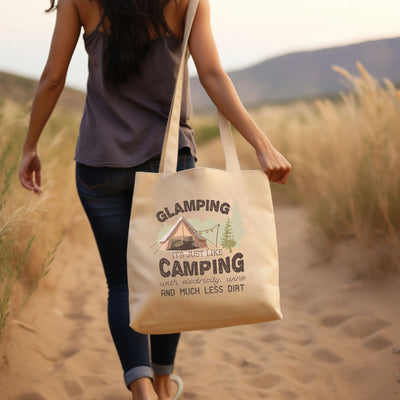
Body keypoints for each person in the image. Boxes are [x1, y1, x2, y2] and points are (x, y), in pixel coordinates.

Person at [19, 0, 291, 398]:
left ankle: (141, 388)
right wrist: (262, 145)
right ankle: (163, 385)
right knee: (172, 275)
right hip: (168, 164)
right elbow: (212, 74)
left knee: (121, 283)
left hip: (100, 164)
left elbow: (53, 79)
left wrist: (30, 145)